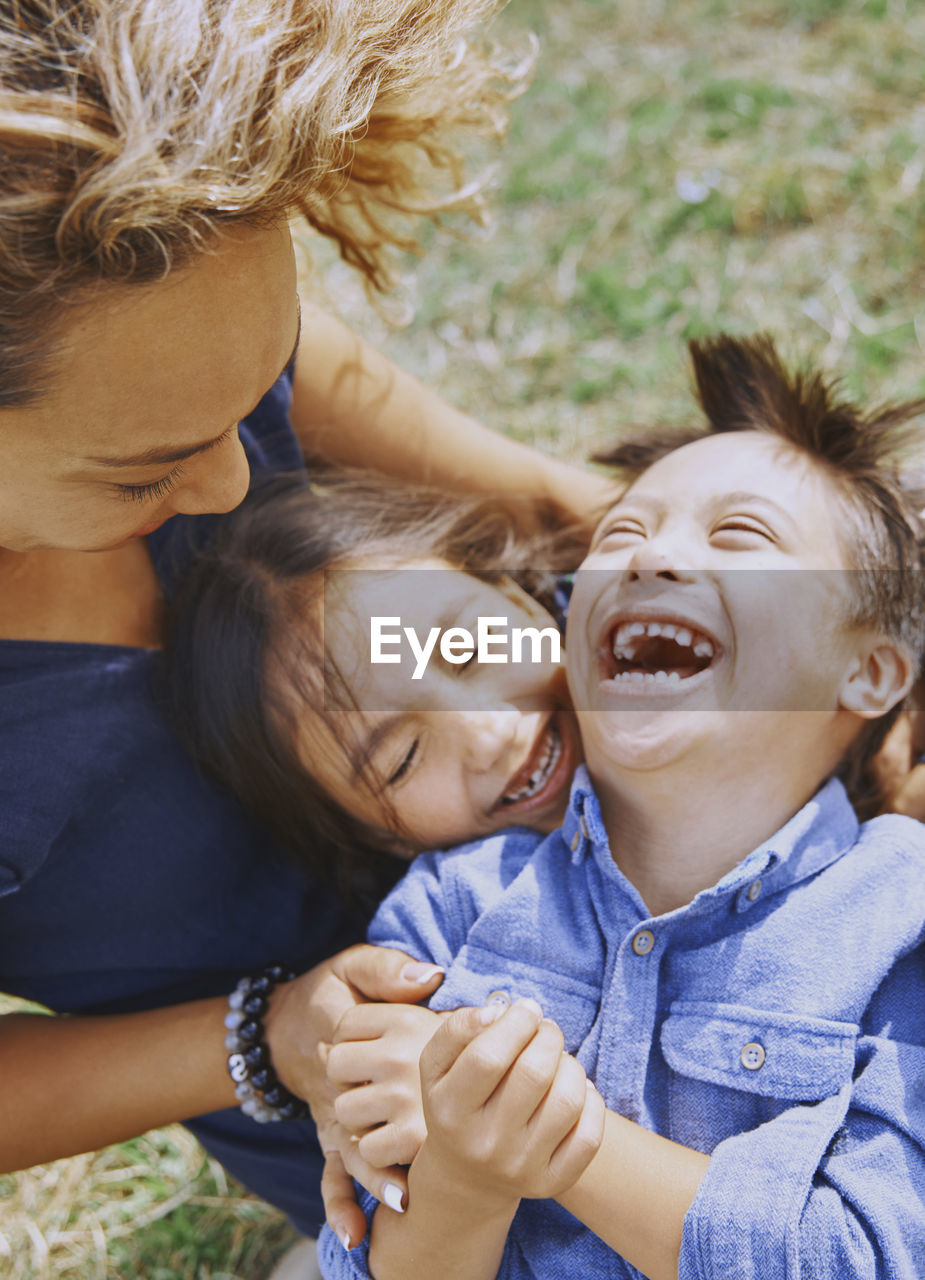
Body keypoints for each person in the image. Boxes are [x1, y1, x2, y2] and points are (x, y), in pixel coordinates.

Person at [0, 0, 612, 1258]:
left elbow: (557, 512)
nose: (235, 484)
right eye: (147, 471)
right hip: (435, 1181)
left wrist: (850, 654)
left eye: (262, 383)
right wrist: (268, 1033)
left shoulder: (175, 318)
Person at [317, 334, 925, 1279]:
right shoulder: (446, 918)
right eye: (619, 536)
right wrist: (465, 1184)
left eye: (740, 536)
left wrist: (563, 1141)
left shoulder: (900, 915)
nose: (652, 557)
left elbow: (870, 1257)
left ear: (872, 670)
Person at [165, 470, 586, 883]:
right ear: (371, 833)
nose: (490, 736)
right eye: (403, 759)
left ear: (524, 603)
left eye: (470, 652)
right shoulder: (433, 941)